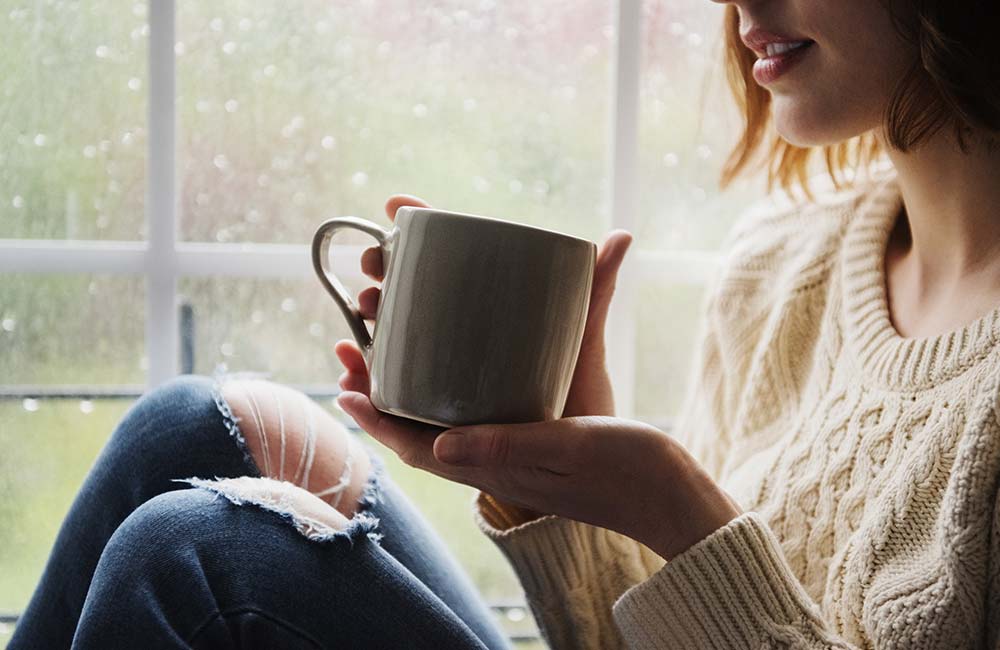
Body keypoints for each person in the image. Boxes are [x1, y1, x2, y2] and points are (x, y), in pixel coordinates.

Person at [10, 0, 1000, 646]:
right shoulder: (779, 267)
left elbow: (696, 552)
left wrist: (680, 511)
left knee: (187, 552)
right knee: (184, 424)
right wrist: (557, 475)